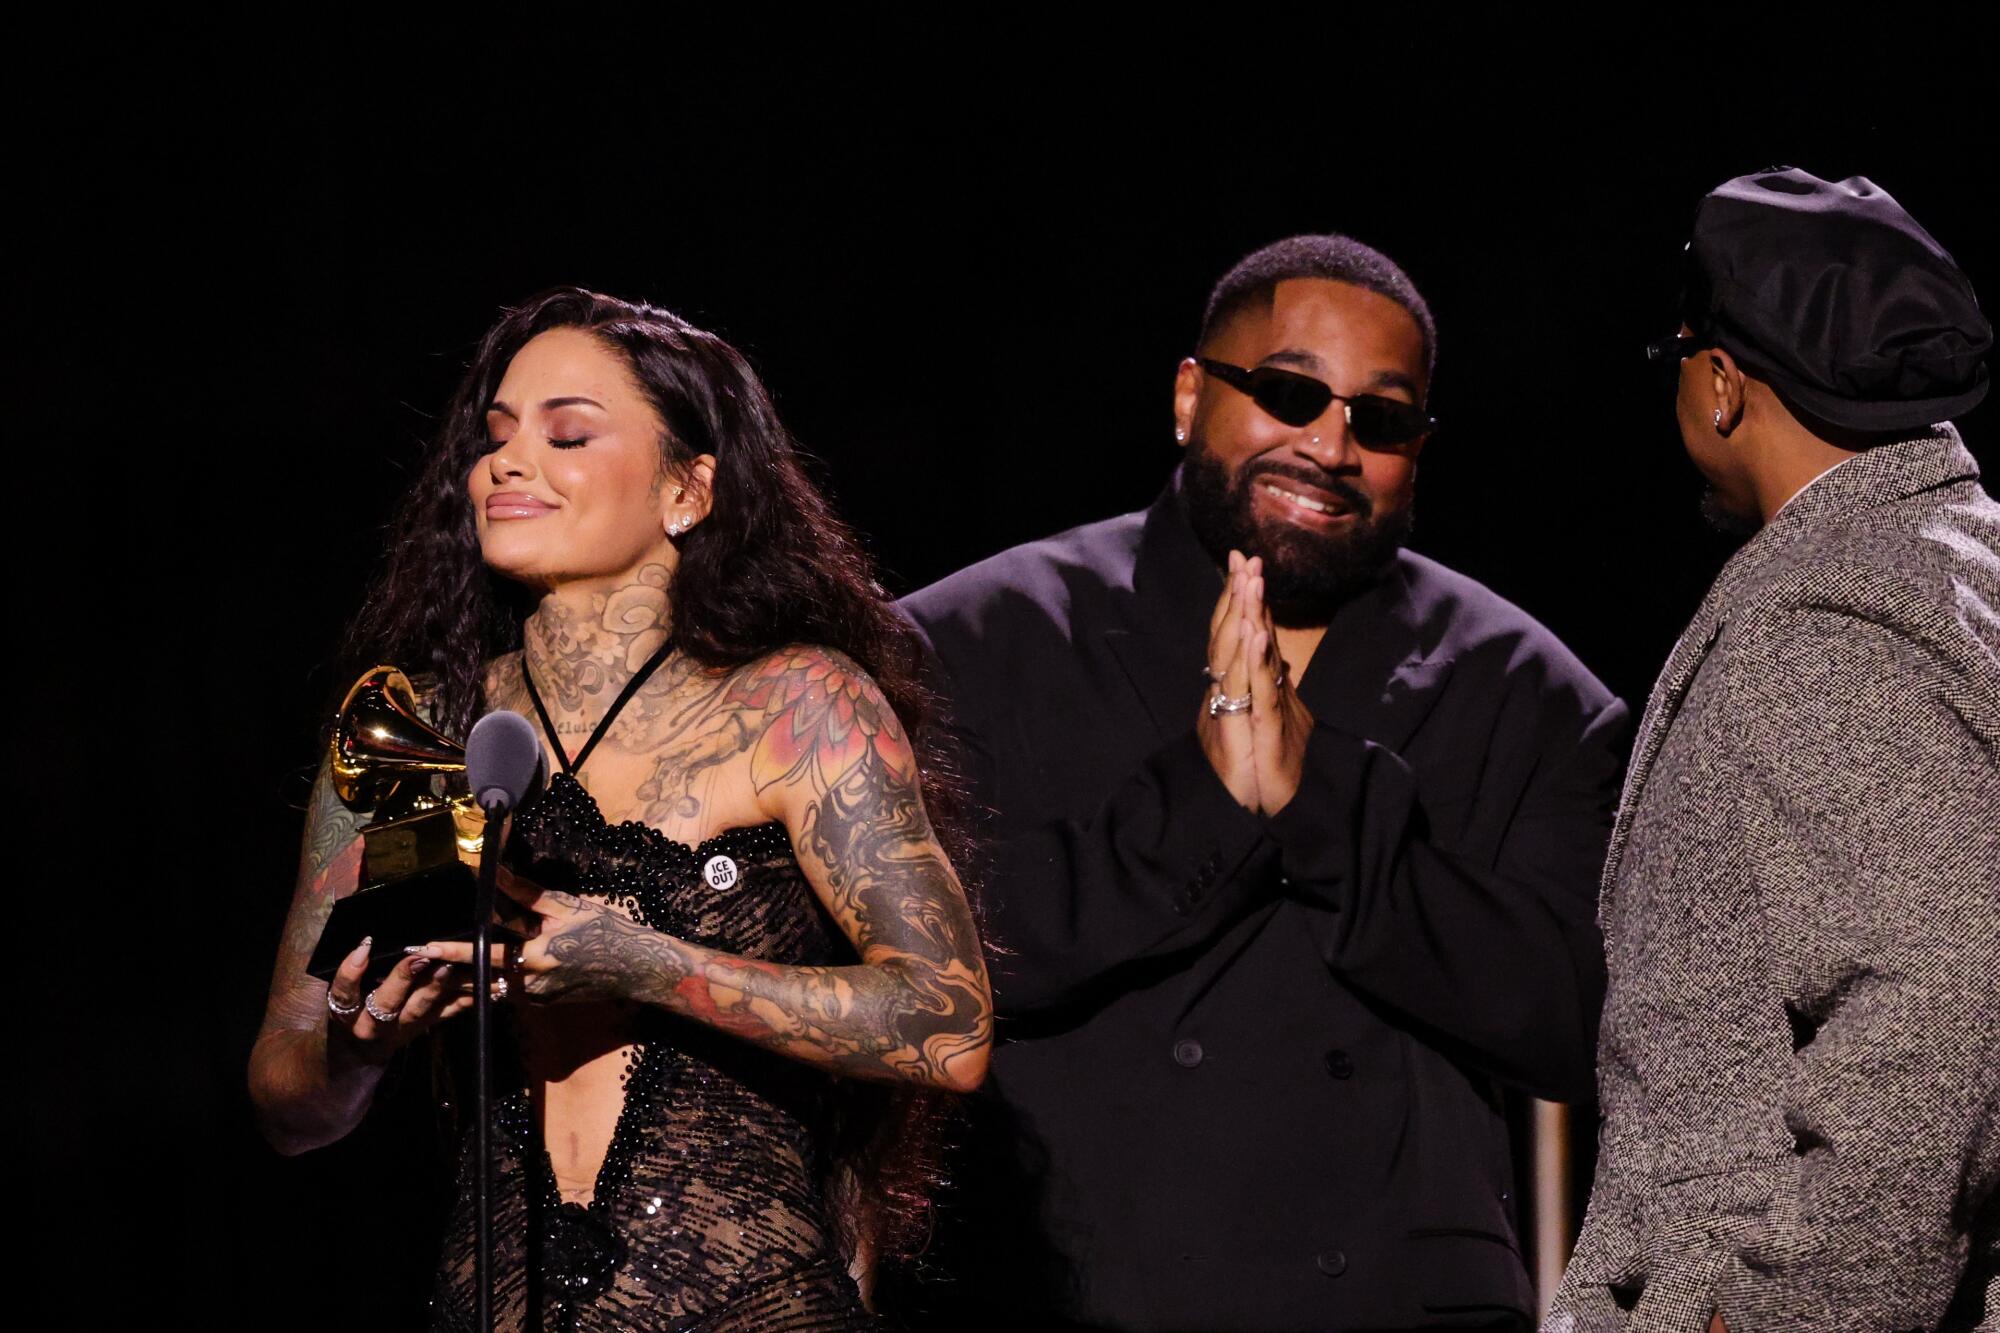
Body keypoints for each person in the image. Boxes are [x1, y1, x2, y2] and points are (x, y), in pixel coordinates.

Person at [900, 235, 1630, 1330]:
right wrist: (1204, 794)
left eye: (1378, 420)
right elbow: (933, 960)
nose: (1328, 445)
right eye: (1287, 393)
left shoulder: (1529, 695)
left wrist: (1319, 802)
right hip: (1070, 1288)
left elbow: (1576, 1019)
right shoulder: (971, 639)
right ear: (1190, 396)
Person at [247, 288, 993, 1332]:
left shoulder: (796, 703)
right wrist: (358, 1048)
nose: (506, 462)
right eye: (494, 436)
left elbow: (947, 1026)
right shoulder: (412, 726)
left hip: (750, 1304)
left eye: (567, 433)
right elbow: (288, 1099)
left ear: (687, 489)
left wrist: (652, 965)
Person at [1547, 169, 2000, 1331]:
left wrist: (1758, 1311)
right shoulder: (1955, 563)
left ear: (1718, 385)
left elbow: (1942, 1002)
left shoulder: (1821, 619)